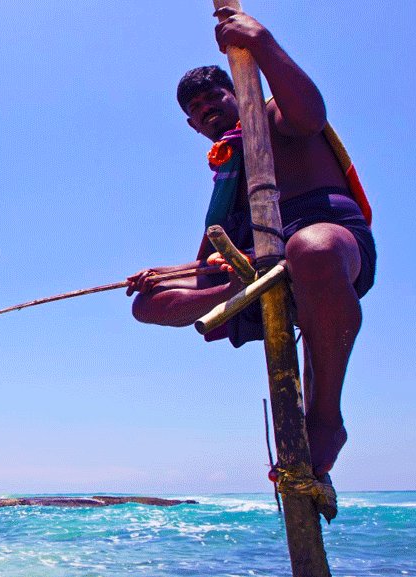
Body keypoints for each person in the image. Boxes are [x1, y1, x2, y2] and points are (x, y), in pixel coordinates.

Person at [127, 8, 376, 481]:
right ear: (192, 126)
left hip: (325, 246)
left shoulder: (274, 114)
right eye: (196, 112)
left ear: (237, 91)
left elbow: (311, 115)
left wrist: (261, 41)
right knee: (147, 302)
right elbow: (203, 268)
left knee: (312, 249)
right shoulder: (226, 173)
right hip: (253, 275)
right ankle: (255, 290)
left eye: (214, 98)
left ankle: (326, 418)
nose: (206, 111)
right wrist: (163, 274)